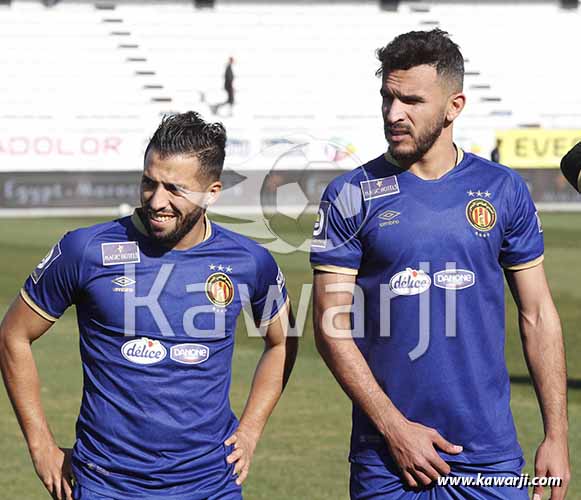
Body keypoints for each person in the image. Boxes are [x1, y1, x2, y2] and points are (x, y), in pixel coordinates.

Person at [311, 29, 570, 499]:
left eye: (411, 100)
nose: (394, 114)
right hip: (388, 461)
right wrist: (394, 428)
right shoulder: (351, 194)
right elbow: (331, 325)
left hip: (488, 456)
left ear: (454, 106)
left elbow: (538, 316)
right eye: (388, 98)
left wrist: (557, 435)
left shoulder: (503, 189)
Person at [0, 111, 297, 500]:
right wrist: (40, 445)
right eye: (148, 183)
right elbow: (13, 335)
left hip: (211, 484)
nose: (157, 201)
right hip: (107, 484)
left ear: (212, 192)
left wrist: (252, 428)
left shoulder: (250, 260)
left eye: (175, 189)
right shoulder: (85, 250)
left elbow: (283, 340)